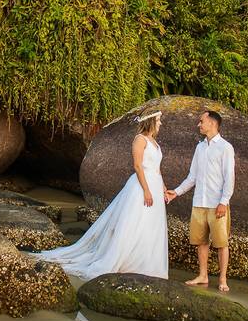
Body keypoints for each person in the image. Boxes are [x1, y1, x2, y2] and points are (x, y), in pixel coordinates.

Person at [36, 110, 168, 280]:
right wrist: (146, 190)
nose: (160, 123)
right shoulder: (140, 139)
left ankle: (145, 262)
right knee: (134, 223)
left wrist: (163, 187)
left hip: (155, 185)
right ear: (150, 121)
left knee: (150, 225)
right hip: (142, 186)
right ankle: (123, 260)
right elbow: (137, 166)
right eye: (158, 120)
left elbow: (157, 168)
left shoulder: (154, 142)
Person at [163, 110, 235, 292]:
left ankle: (223, 279)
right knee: (201, 241)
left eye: (201, 121)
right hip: (199, 203)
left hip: (217, 203)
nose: (199, 124)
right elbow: (192, 177)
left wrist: (223, 202)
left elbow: (230, 178)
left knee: (221, 243)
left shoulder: (226, 147)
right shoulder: (199, 147)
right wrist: (176, 193)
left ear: (212, 123)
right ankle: (203, 276)